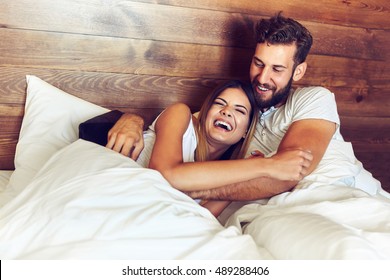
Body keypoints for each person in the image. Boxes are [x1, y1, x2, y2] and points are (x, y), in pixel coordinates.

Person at [106, 12, 381, 203]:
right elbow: (188, 122)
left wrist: (201, 193)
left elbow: (290, 172)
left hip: (342, 193)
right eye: (258, 63)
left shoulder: (314, 99)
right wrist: (132, 118)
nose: (263, 78)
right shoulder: (245, 113)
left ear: (298, 72)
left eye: (277, 69)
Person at [132, 80, 312, 216]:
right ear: (206, 112)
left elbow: (199, 216)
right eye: (219, 103)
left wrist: (241, 181)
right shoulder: (180, 115)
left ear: (246, 131)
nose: (226, 111)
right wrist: (268, 165)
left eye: (240, 110)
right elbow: (165, 175)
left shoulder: (225, 172)